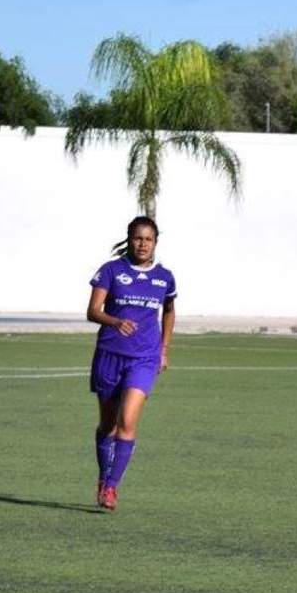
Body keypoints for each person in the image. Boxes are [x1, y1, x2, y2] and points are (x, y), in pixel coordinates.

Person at [86, 216, 176, 510]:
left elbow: (169, 311)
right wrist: (115, 321)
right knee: (108, 424)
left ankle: (112, 488)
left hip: (144, 358)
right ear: (130, 239)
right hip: (110, 354)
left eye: (148, 239)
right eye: (138, 238)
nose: (143, 244)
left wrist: (163, 349)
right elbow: (93, 311)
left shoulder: (164, 277)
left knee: (127, 421)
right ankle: (104, 477)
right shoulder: (111, 271)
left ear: (155, 242)